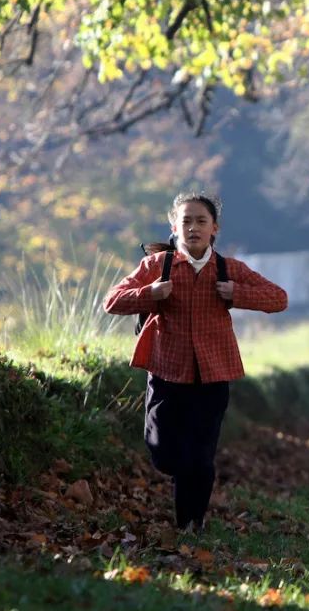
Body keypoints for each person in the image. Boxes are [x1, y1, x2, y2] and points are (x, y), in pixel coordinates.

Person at [103, 191, 287, 532]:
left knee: (200, 458)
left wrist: (237, 293)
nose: (193, 228)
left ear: (214, 228)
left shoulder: (228, 269)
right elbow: (112, 301)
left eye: (201, 221)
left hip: (213, 375)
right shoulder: (157, 266)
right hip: (166, 373)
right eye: (186, 221)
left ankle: (191, 525)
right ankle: (184, 501)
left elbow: (279, 298)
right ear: (174, 226)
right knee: (163, 453)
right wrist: (150, 294)